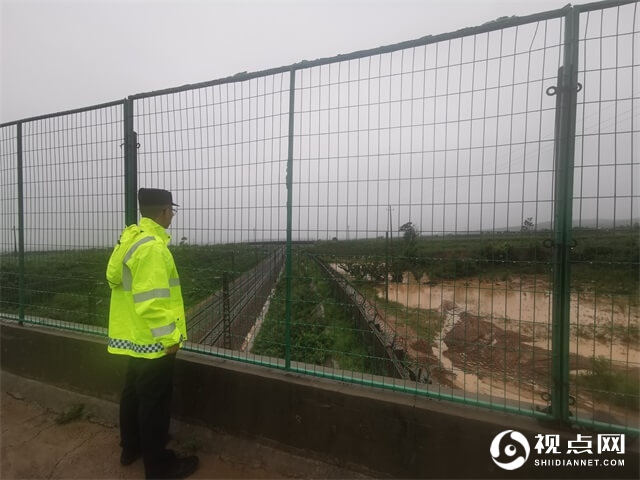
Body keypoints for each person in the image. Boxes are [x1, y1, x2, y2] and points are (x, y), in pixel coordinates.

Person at [106, 188, 199, 479]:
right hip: (154, 341)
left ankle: (131, 448)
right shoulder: (154, 248)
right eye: (172, 210)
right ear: (163, 212)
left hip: (133, 337)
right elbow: (152, 301)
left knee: (133, 393)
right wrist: (170, 337)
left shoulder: (131, 239)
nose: (172, 215)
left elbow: (114, 279)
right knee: (154, 403)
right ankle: (159, 466)